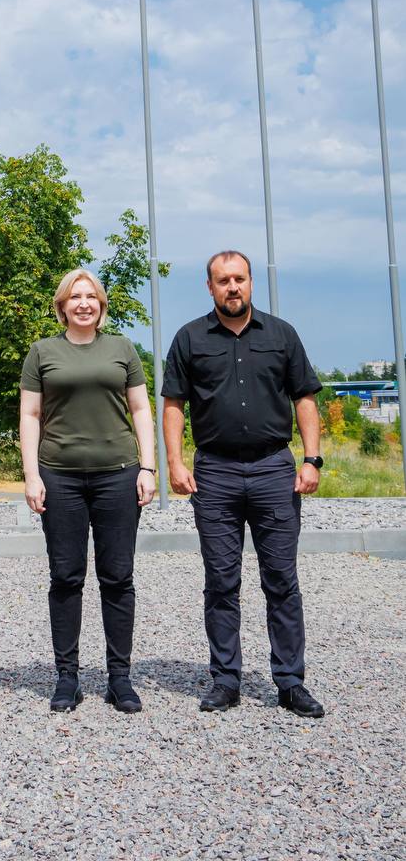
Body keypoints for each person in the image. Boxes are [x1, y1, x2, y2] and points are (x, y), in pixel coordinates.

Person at [162, 250, 325, 718]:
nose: (232, 288)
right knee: (221, 581)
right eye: (222, 281)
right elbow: (174, 403)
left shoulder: (281, 335)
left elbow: (305, 398)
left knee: (281, 580)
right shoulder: (190, 338)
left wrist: (311, 460)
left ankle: (291, 682)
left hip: (275, 469)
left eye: (239, 279)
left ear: (251, 283)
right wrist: (175, 462)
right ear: (209, 287)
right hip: (214, 473)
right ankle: (226, 680)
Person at [19, 269, 156, 715]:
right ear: (62, 306)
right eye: (74, 297)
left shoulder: (122, 349)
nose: (83, 303)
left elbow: (140, 408)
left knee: (118, 577)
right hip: (59, 477)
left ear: (100, 304)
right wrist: (32, 475)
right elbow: (30, 416)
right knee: (66, 577)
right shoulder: (43, 352)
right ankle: (67, 677)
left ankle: (120, 678)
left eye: (90, 296)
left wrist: (148, 467)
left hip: (118, 474)